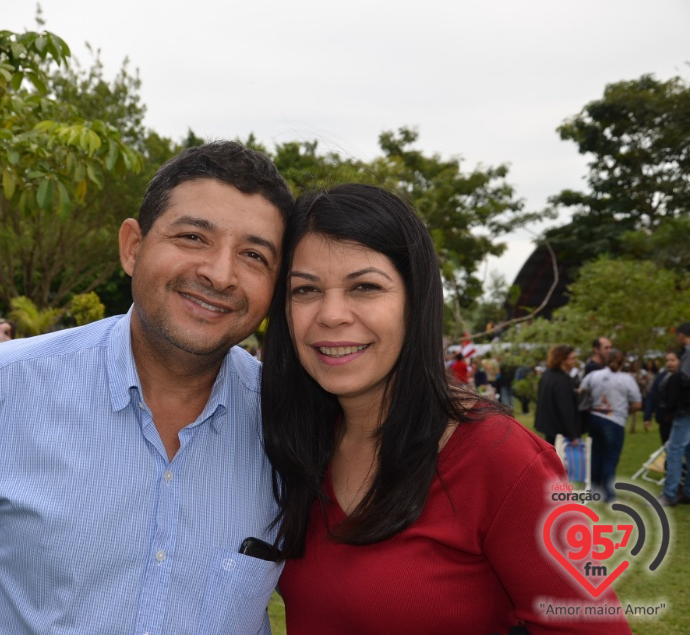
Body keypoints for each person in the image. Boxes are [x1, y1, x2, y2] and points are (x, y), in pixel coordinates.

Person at [0, 141, 294, 633]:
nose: (220, 274)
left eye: (253, 255)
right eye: (192, 237)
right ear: (133, 247)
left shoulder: (291, 422)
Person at [260, 184, 630, 634]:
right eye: (305, 290)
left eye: (365, 286)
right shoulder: (297, 443)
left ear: (416, 303)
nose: (332, 314)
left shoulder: (502, 458)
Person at [580, 350, 642, 503]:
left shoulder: (594, 375)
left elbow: (581, 391)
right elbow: (637, 403)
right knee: (610, 458)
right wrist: (625, 410)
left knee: (595, 455)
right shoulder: (626, 379)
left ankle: (594, 488)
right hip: (615, 419)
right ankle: (608, 494)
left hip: (594, 417)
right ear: (623, 363)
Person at [660, 322, 690, 507]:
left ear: (681, 335)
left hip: (686, 409)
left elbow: (685, 379)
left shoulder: (687, 354)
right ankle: (687, 492)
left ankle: (670, 494)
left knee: (674, 450)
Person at [534, 345, 581, 446]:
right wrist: (573, 435)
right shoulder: (561, 380)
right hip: (558, 429)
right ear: (562, 360)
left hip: (548, 425)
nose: (575, 361)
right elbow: (565, 408)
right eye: (572, 358)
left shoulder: (548, 374)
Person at [644, 350, 683, 445]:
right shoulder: (662, 377)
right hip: (664, 418)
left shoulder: (684, 376)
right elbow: (652, 396)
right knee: (667, 445)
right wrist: (647, 417)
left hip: (681, 417)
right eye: (667, 360)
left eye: (672, 360)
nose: (669, 363)